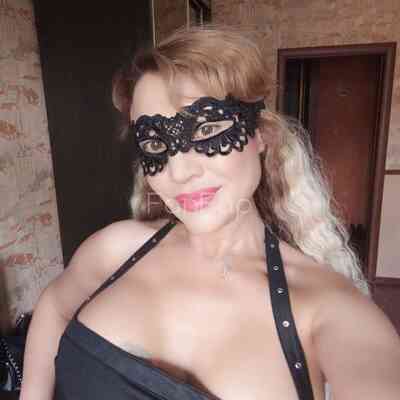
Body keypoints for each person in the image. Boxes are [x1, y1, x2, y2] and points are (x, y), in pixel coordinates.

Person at [20, 26, 400, 400]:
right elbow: (54, 307)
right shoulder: (115, 250)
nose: (179, 172)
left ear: (260, 135)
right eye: (155, 143)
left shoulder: (331, 311)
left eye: (206, 130)